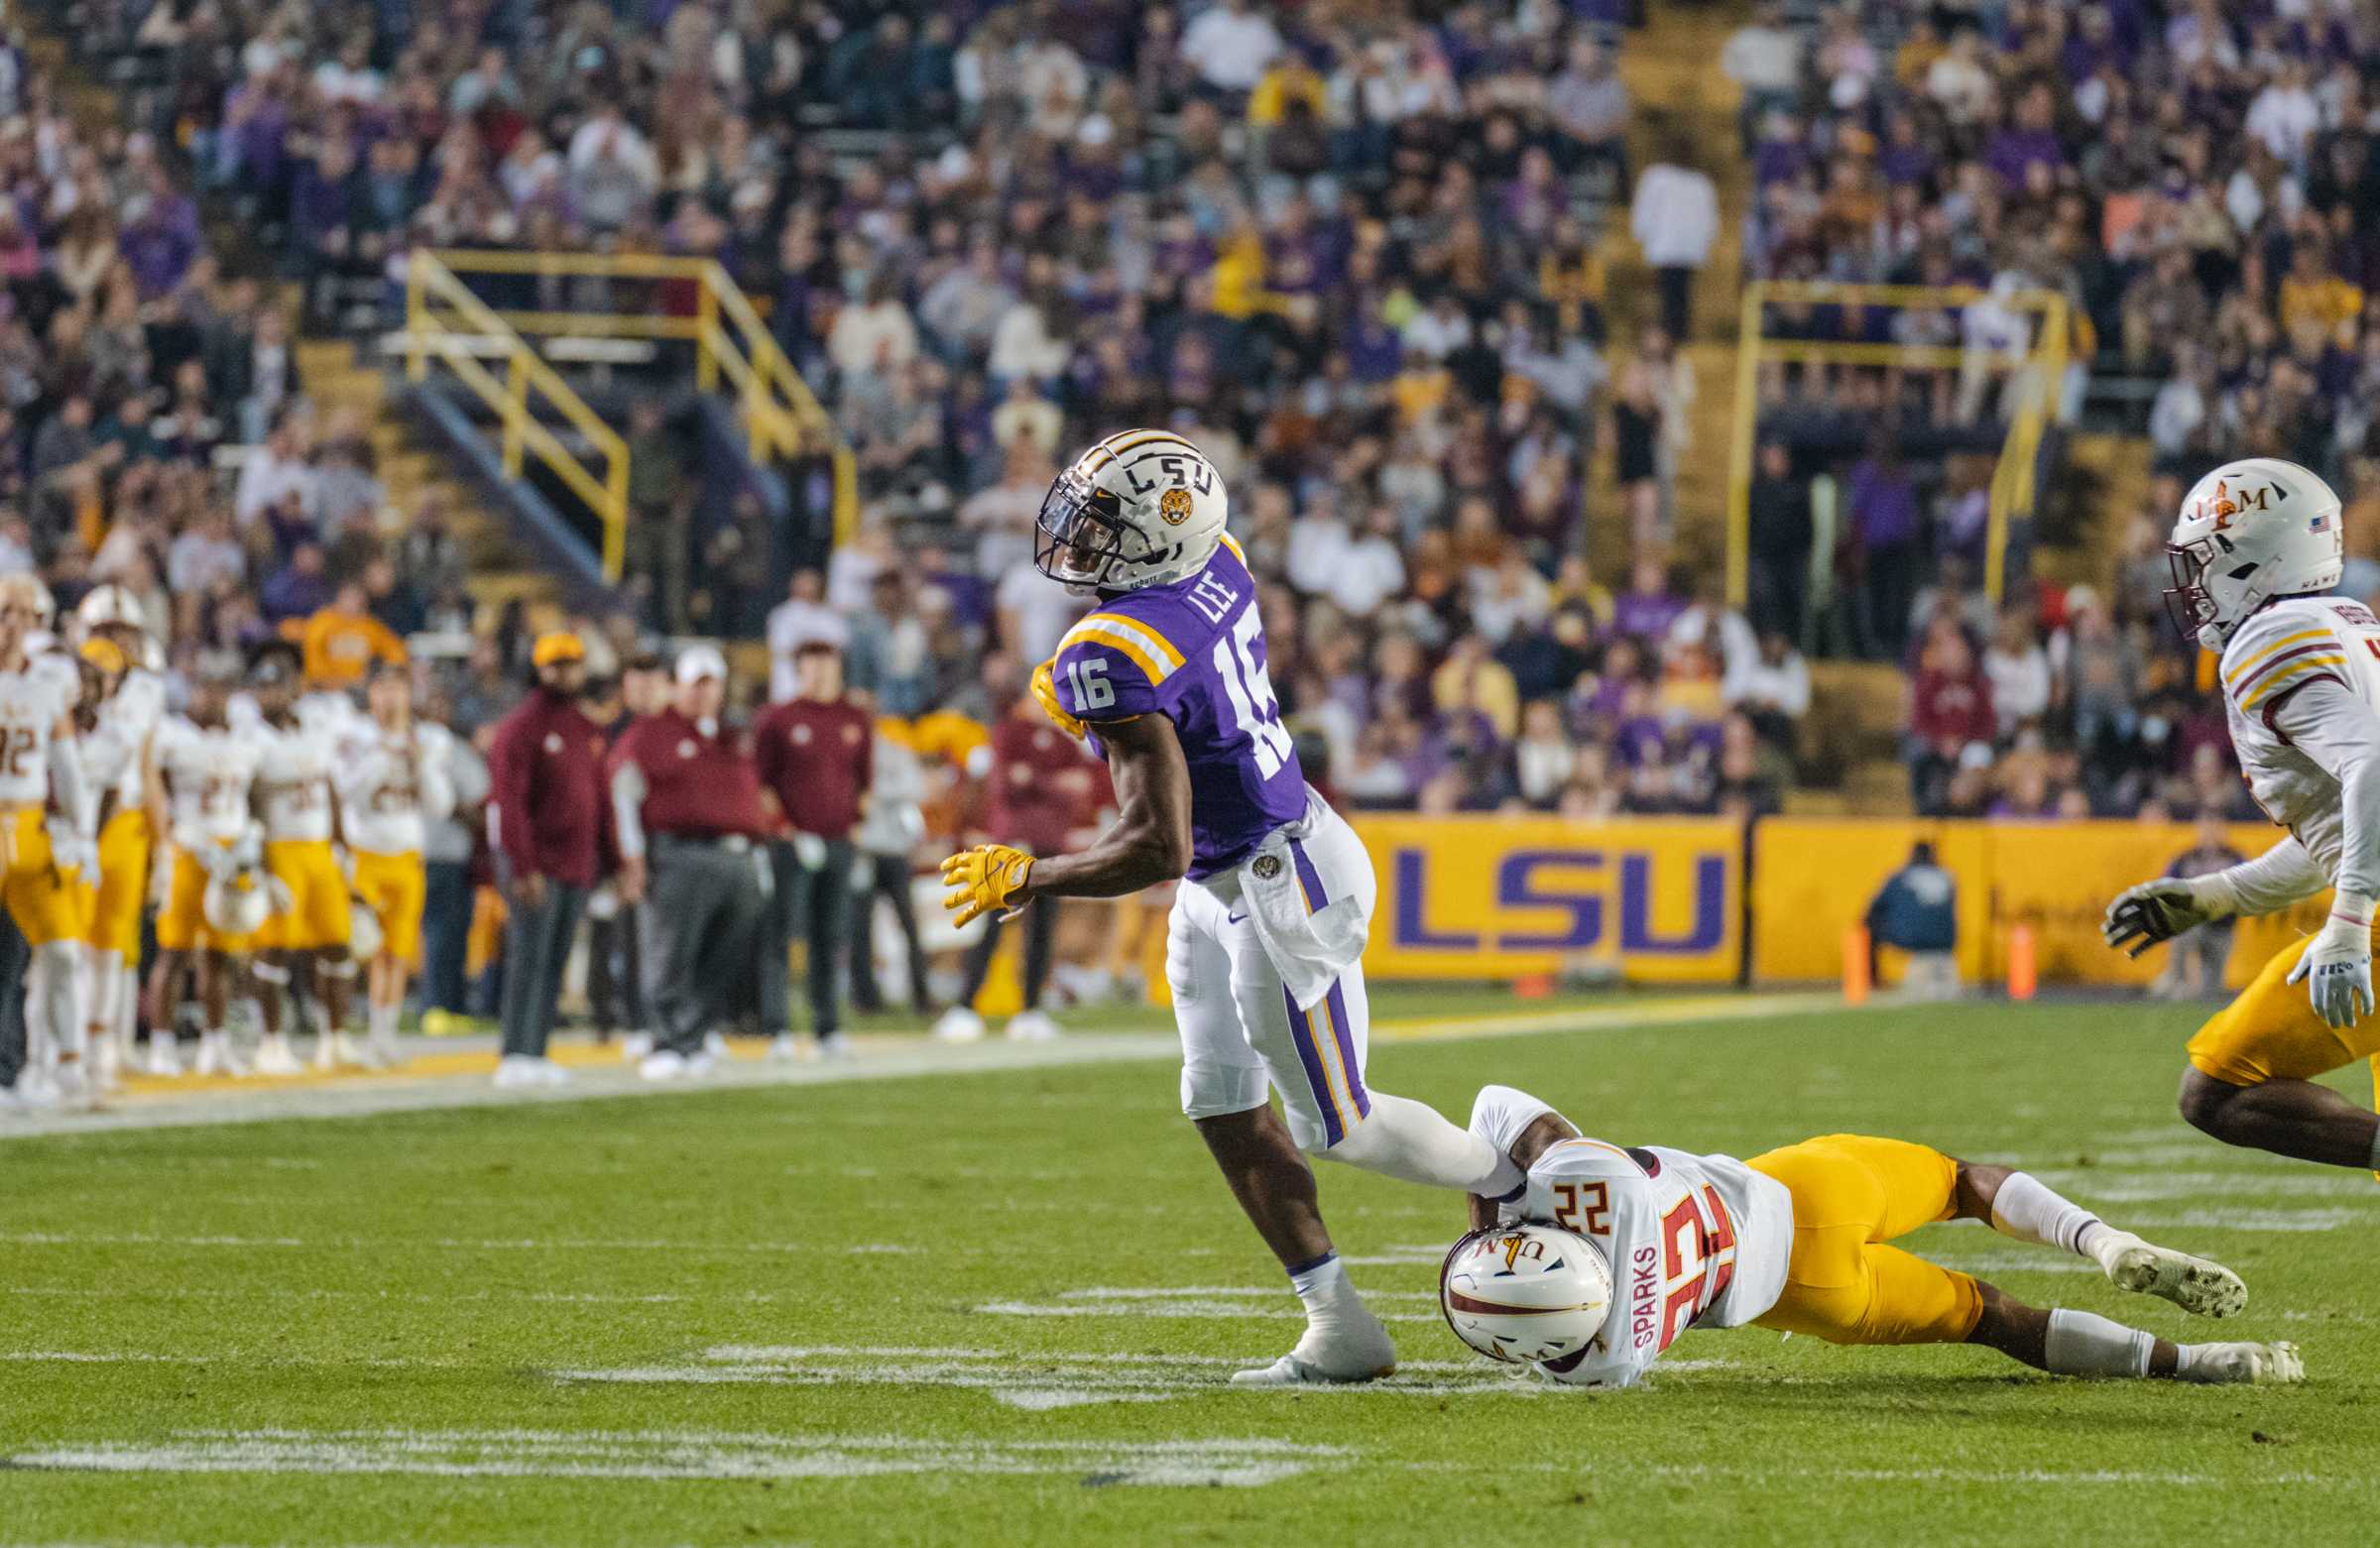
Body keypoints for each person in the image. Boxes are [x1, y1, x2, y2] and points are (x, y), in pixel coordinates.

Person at [939, 428, 1528, 1386]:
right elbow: (1190, 701)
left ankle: (1513, 1176)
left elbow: (1154, 845)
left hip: (1276, 878)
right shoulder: (1222, 556)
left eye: (1103, 528)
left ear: (1159, 534)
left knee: (1337, 1126)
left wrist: (1028, 876)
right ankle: (1338, 1323)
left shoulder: (1108, 648)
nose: (1080, 546)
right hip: (1235, 870)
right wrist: (1106, 725)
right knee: (1217, 1098)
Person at [1445, 1084, 2298, 1389]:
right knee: (1964, 1182)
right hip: (1801, 1187)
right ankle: (2100, 1240)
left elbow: (1548, 1338)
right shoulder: (1584, 1179)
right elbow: (1497, 1103)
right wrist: (1492, 1202)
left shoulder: (1601, 1361)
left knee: (1987, 1317)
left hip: (1808, 1297)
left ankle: (2194, 1363)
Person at [2103, 459, 2380, 1175]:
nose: (2192, 585)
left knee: (2217, 1089)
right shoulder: (2346, 620)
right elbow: (2345, 833)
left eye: (2204, 562)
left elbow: (2376, 770)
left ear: (2255, 557)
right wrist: (2214, 896)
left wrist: (2347, 925)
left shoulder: (2266, 639)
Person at [608, 644, 771, 1080]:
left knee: (723, 955)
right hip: (677, 853)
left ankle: (694, 1038)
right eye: (694, 683)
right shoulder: (651, 733)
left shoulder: (729, 736)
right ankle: (666, 1040)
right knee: (669, 955)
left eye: (710, 683)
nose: (702, 692)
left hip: (736, 856)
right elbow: (623, 796)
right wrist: (632, 857)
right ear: (677, 686)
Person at [932, 673, 1100, 1045]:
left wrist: (1035, 781)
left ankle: (1031, 1009)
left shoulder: (1062, 739)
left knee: (1042, 929)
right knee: (992, 924)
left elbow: (1081, 786)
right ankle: (964, 1007)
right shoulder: (1008, 732)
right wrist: (1055, 784)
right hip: (1011, 846)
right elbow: (1007, 785)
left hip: (1051, 845)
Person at [484, 632, 606, 1088]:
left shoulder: (585, 728)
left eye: (572, 663)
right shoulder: (520, 728)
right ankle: (515, 1050)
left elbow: (599, 798)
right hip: (535, 862)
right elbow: (509, 804)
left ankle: (536, 1049)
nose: (565, 672)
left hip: (574, 861)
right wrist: (521, 866)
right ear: (539, 669)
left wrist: (607, 859)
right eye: (556, 665)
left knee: (553, 958)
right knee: (529, 956)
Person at [753, 639, 872, 1058]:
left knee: (830, 935)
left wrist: (856, 825)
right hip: (792, 843)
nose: (819, 671)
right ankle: (777, 1028)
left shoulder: (854, 718)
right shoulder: (779, 719)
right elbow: (761, 782)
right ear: (798, 668)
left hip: (838, 841)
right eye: (810, 663)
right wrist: (783, 827)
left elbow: (863, 781)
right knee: (783, 935)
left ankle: (828, 1028)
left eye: (826, 662)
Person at [0, 574, 93, 1105]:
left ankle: (54, 1066)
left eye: (23, 616)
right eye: (4, 613)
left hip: (31, 829)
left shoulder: (48, 681)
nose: (13, 627)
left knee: (56, 949)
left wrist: (80, 832)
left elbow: (67, 765)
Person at [145, 662, 263, 1078]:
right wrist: (169, 838)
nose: (214, 697)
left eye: (222, 688)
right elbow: (151, 786)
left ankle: (215, 1043)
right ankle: (161, 1044)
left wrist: (252, 837)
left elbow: (256, 794)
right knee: (174, 951)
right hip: (189, 849)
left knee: (223, 956)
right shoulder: (173, 735)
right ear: (193, 691)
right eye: (207, 687)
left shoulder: (245, 740)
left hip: (232, 853)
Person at [334, 660, 455, 1067]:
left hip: (407, 856)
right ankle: (361, 1035)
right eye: (382, 689)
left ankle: (385, 1037)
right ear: (370, 694)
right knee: (366, 950)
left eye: (397, 689)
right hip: (365, 854)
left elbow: (441, 805)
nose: (390, 699)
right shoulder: (355, 736)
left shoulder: (427, 739)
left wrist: (418, 762)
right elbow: (349, 796)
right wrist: (380, 759)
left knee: (399, 951)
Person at [242, 644, 351, 1075]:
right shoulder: (249, 737)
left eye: (279, 685)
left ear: (295, 687)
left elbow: (330, 787)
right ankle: (271, 1041)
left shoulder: (316, 726)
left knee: (338, 942)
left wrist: (341, 844)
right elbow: (250, 802)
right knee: (274, 948)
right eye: (264, 687)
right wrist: (261, 864)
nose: (272, 695)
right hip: (280, 846)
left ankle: (335, 1039)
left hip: (319, 845)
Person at [71, 584, 164, 1092]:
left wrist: (162, 841)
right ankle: (59, 1049)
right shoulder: (65, 681)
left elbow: (147, 771)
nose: (112, 642)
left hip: (125, 822)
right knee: (66, 943)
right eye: (103, 631)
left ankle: (100, 1047)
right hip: (76, 819)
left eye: (120, 632)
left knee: (110, 944)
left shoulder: (148, 690)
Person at [849, 720, 932, 1017]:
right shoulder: (845, 753)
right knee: (859, 928)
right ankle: (864, 998)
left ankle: (922, 995)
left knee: (909, 924)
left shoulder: (895, 752)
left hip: (894, 849)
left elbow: (915, 788)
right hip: (863, 850)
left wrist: (873, 792)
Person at [2154, 816, 2245, 1001]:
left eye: (2215, 829)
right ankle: (2176, 979)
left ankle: (2191, 989)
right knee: (2182, 933)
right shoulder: (2185, 858)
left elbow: (2246, 889)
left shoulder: (2234, 858)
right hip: (2194, 922)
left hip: (2221, 927)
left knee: (2211, 989)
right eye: (2206, 829)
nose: (2210, 835)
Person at [1865, 839, 1958, 999]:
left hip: (1911, 938)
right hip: (1946, 941)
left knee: (1869, 928)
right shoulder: (1947, 876)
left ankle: (1873, 982)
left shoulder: (1900, 876)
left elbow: (1872, 910)